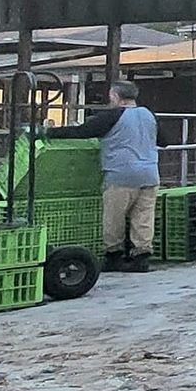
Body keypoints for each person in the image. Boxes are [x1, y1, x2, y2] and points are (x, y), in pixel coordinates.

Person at [46, 80, 160, 273]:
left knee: (114, 217)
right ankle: (141, 257)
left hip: (121, 173)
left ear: (115, 96)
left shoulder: (113, 116)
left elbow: (83, 131)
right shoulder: (149, 115)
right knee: (143, 217)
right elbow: (163, 140)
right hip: (150, 174)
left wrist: (48, 132)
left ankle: (113, 256)